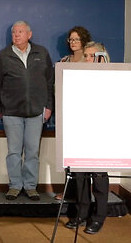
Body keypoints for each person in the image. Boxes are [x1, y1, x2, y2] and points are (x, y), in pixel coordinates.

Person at [0, 21, 54, 201]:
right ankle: (15, 185)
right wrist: (0, 108)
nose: (16, 35)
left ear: (29, 34)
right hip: (11, 111)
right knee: (13, 151)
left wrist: (48, 106)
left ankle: (30, 186)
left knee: (32, 151)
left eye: (20, 32)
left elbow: (49, 82)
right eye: (13, 32)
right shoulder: (3, 56)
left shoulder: (41, 53)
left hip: (36, 111)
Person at [64, 41, 110, 235]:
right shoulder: (78, 77)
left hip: (101, 134)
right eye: (87, 56)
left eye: (94, 56)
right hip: (80, 132)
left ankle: (99, 217)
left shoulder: (112, 77)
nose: (90, 59)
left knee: (99, 178)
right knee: (81, 176)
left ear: (103, 57)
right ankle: (82, 214)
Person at [55, 26, 92, 201]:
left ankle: (84, 194)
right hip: (68, 116)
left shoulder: (91, 60)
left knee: (86, 161)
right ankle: (69, 191)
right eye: (71, 39)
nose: (73, 42)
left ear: (84, 40)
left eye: (76, 39)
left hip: (88, 115)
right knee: (68, 158)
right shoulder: (64, 61)